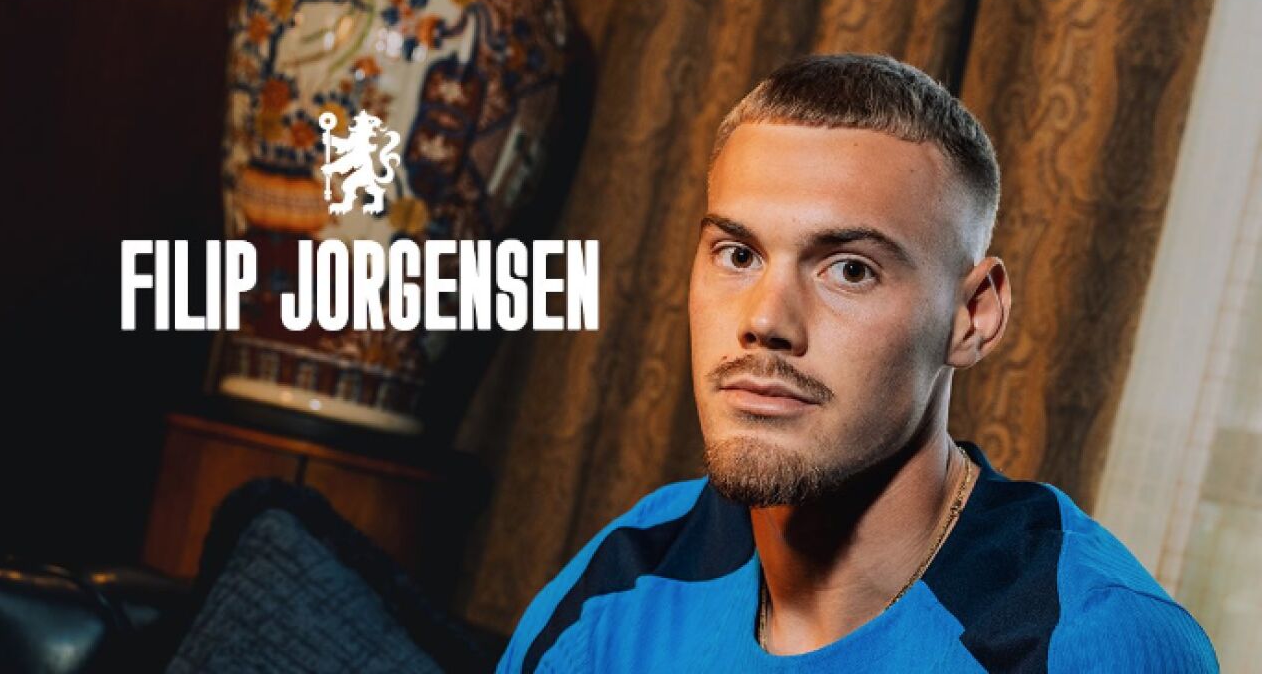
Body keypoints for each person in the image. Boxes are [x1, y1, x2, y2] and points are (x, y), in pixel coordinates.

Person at [496, 54, 1218, 672]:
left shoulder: (1091, 643)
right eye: (738, 255)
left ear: (973, 316)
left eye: (849, 270)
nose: (764, 321)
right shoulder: (627, 578)